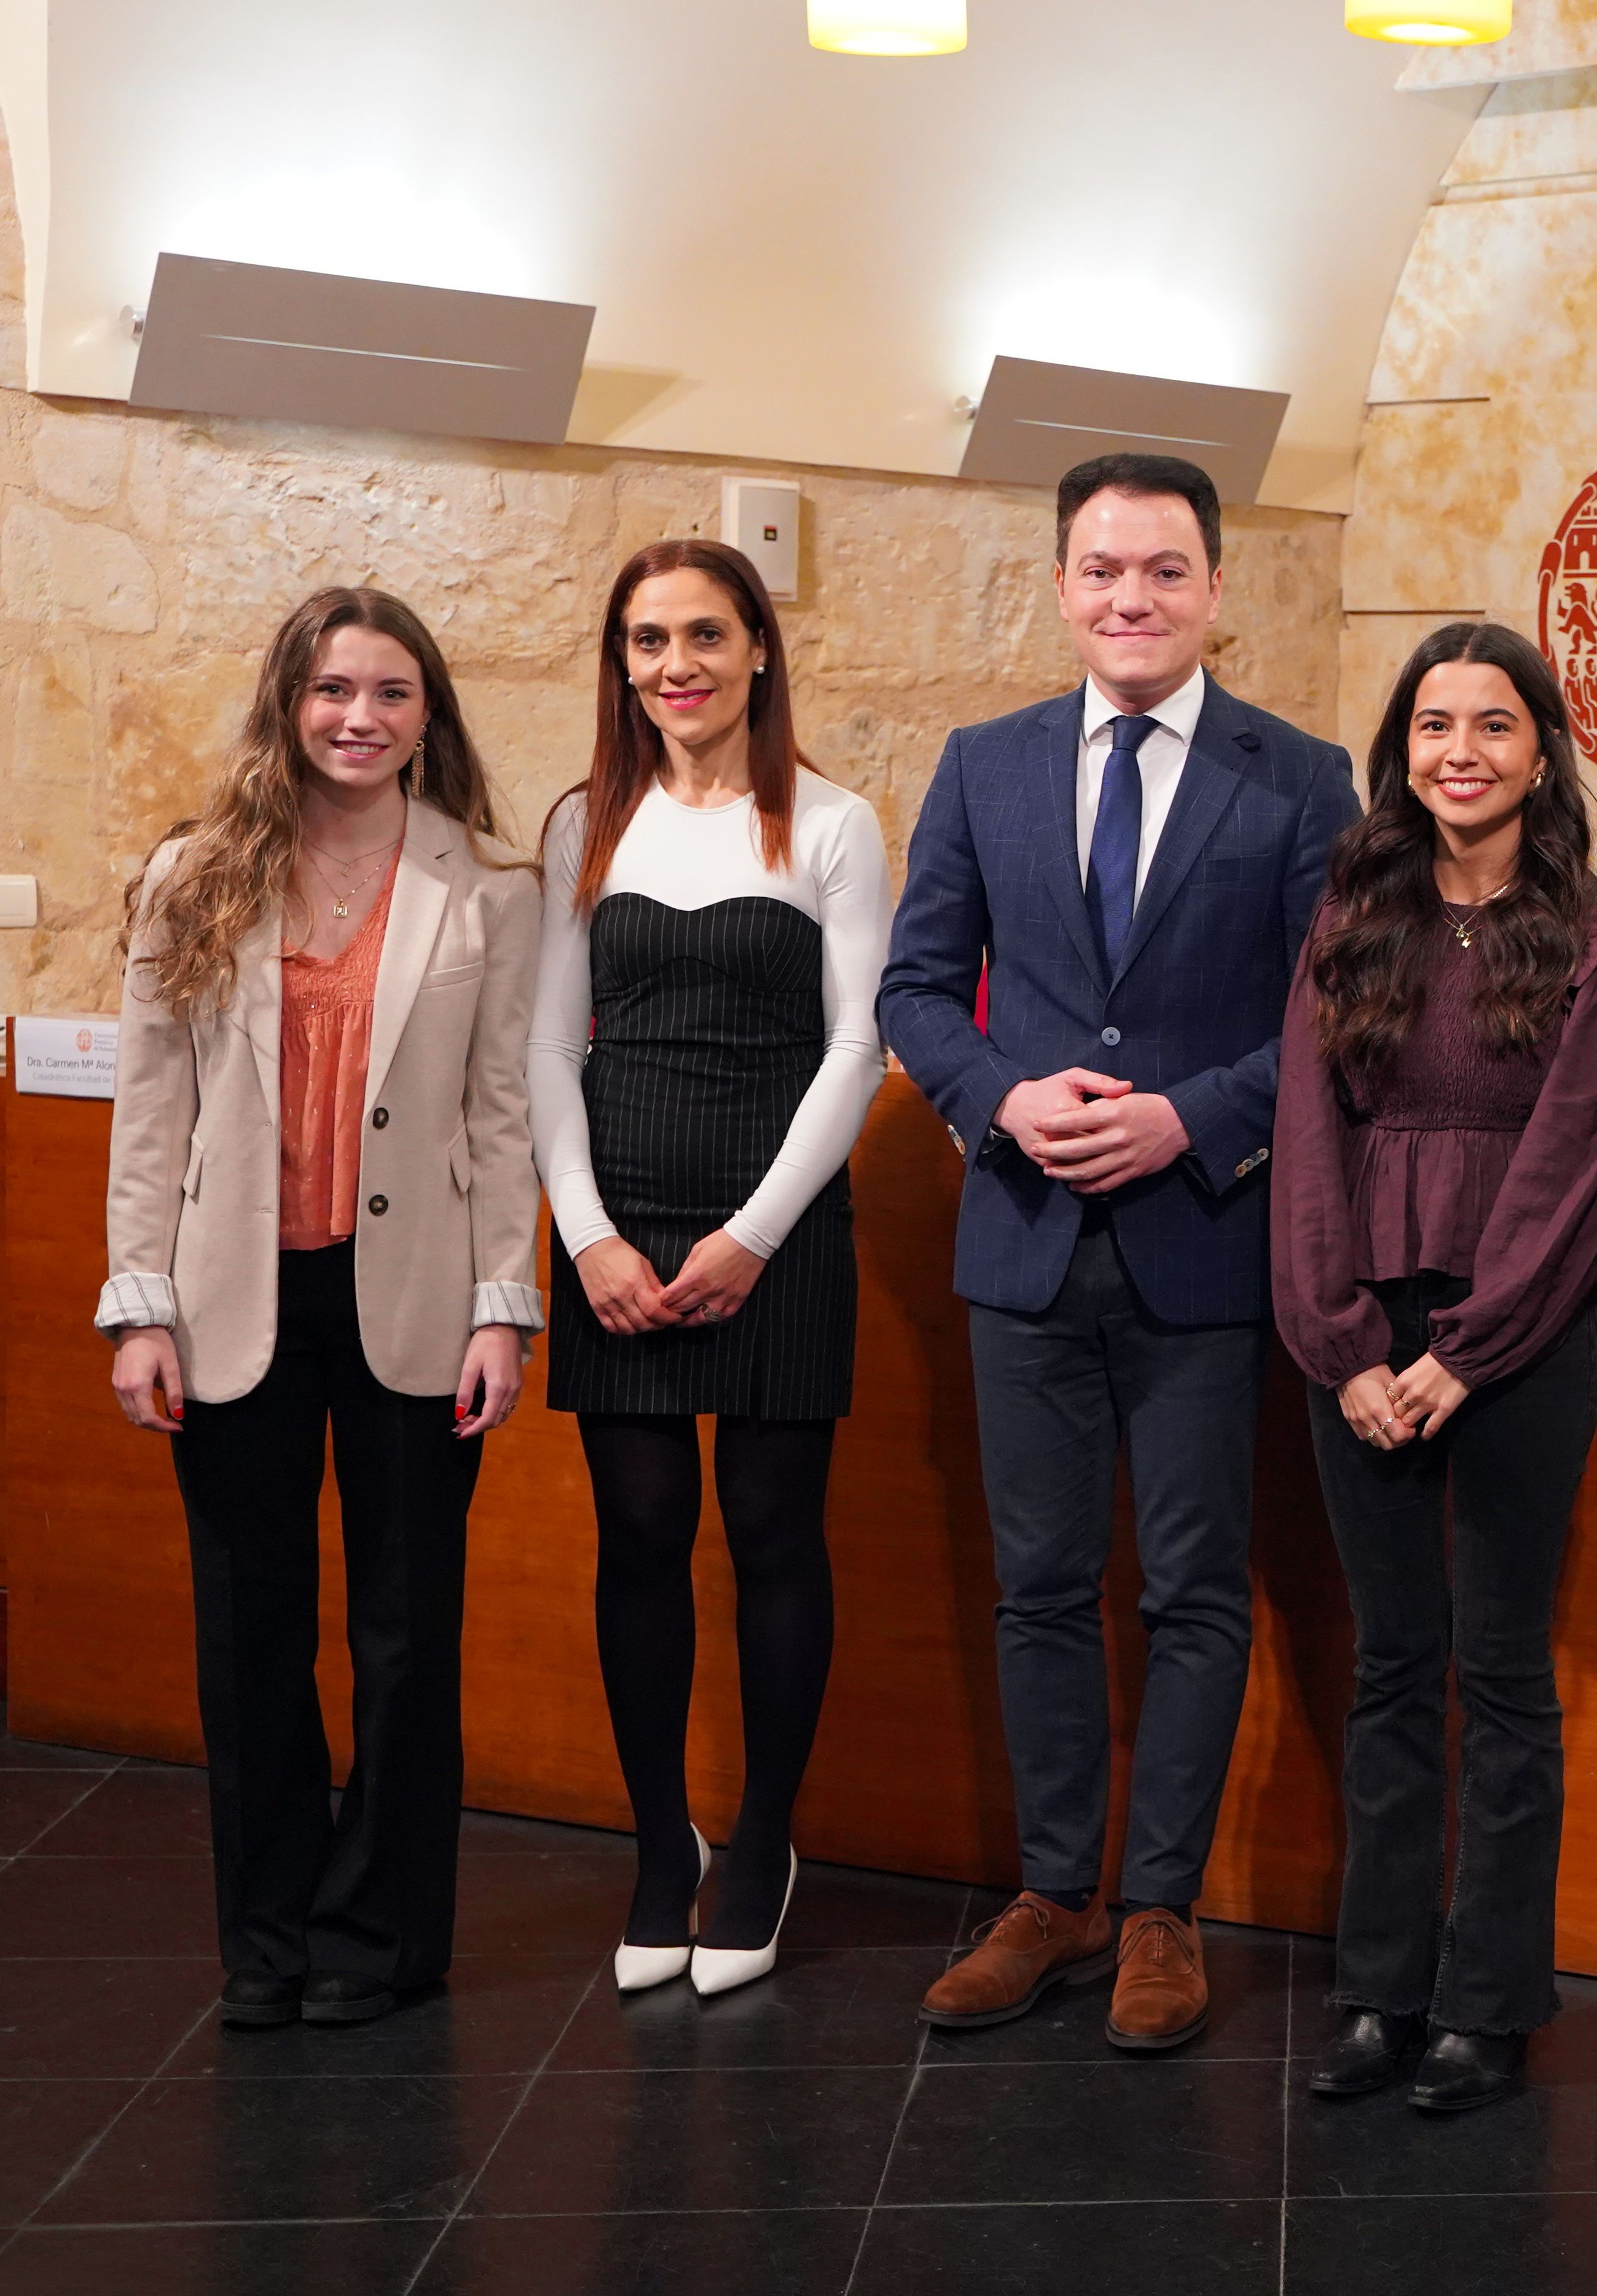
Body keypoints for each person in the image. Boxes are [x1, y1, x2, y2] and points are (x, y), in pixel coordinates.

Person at [884, 452, 1359, 2050]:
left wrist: (1194, 1120)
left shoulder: (1299, 779)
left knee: (1196, 1588)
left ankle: (1160, 1908)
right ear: (1064, 586)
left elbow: (1334, 1012)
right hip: (1021, 1243)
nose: (1131, 599)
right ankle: (1052, 1895)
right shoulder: (984, 765)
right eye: (1102, 571)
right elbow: (913, 987)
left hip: (1203, 1240)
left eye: (1162, 571)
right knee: (1036, 1585)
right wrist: (1001, 1097)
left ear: (1216, 589)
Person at [101, 588, 542, 2029]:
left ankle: (383, 1933)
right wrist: (139, 1305)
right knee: (250, 1634)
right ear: (289, 700)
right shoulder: (195, 874)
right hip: (236, 1303)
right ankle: (268, 1939)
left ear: (431, 713)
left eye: (393, 692)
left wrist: (503, 1305)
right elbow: (151, 1110)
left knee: (407, 1636)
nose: (361, 717)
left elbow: (502, 1114)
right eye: (334, 688)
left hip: (414, 1304)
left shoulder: (490, 886)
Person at [1271, 623, 1597, 2113]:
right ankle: (1379, 1991)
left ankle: (1487, 2006)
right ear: (1401, 752)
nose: (1461, 753)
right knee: (1390, 1666)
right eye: (1434, 726)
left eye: (1494, 726)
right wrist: (1351, 1340)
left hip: (1520, 1342)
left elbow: (1574, 1161)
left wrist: (1467, 1354)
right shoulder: (1351, 920)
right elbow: (1308, 1133)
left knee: (1501, 1673)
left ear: (1542, 752)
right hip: (1360, 1336)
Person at [530, 538, 889, 1999]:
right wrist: (588, 1236)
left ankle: (764, 1845)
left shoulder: (834, 821)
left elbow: (860, 1043)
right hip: (617, 1218)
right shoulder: (583, 823)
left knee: (772, 1531)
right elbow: (551, 1048)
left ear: (756, 649)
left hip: (780, 1229)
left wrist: (752, 1235)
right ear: (621, 665)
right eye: (644, 641)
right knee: (642, 1530)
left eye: (701, 635)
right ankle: (659, 1849)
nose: (673, 664)